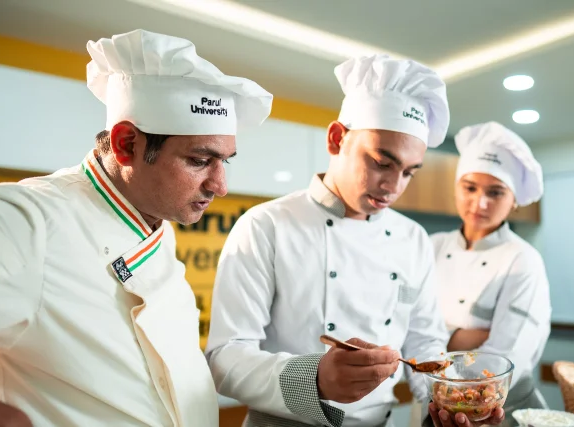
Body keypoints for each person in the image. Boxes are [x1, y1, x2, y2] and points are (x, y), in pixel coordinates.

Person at [0, 29, 272, 427]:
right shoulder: (23, 221)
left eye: (225, 161)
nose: (220, 185)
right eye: (199, 161)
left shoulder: (156, 226)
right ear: (126, 144)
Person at [205, 54, 505, 427]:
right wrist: (315, 379)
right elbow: (225, 358)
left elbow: (424, 342)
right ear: (337, 139)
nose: (393, 187)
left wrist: (448, 400)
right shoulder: (266, 225)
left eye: (409, 172)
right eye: (382, 163)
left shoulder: (412, 238)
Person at [427, 121, 551, 426]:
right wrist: (461, 338)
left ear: (514, 201)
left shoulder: (523, 259)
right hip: (436, 405)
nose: (479, 203)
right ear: (456, 186)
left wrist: (440, 340)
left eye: (495, 192)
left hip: (501, 411)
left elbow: (506, 356)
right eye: (469, 187)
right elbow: (407, 332)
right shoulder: (431, 246)